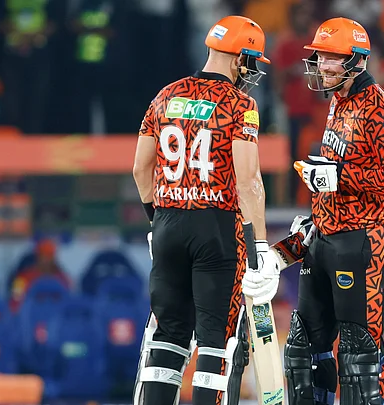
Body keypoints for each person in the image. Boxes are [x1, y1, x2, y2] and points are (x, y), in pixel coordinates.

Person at [130, 15, 281, 405]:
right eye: (252, 60)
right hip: (216, 229)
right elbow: (248, 182)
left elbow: (140, 169)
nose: (252, 70)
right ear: (240, 57)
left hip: (167, 222)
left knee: (168, 336)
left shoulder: (166, 95)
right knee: (216, 341)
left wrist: (156, 220)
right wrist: (259, 246)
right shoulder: (240, 104)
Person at [284, 17, 384, 405]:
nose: (321, 65)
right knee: (302, 351)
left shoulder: (378, 108)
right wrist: (317, 212)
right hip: (325, 237)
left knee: (359, 355)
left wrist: (340, 177)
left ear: (356, 60)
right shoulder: (338, 100)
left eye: (331, 57)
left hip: (362, 239)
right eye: (320, 56)